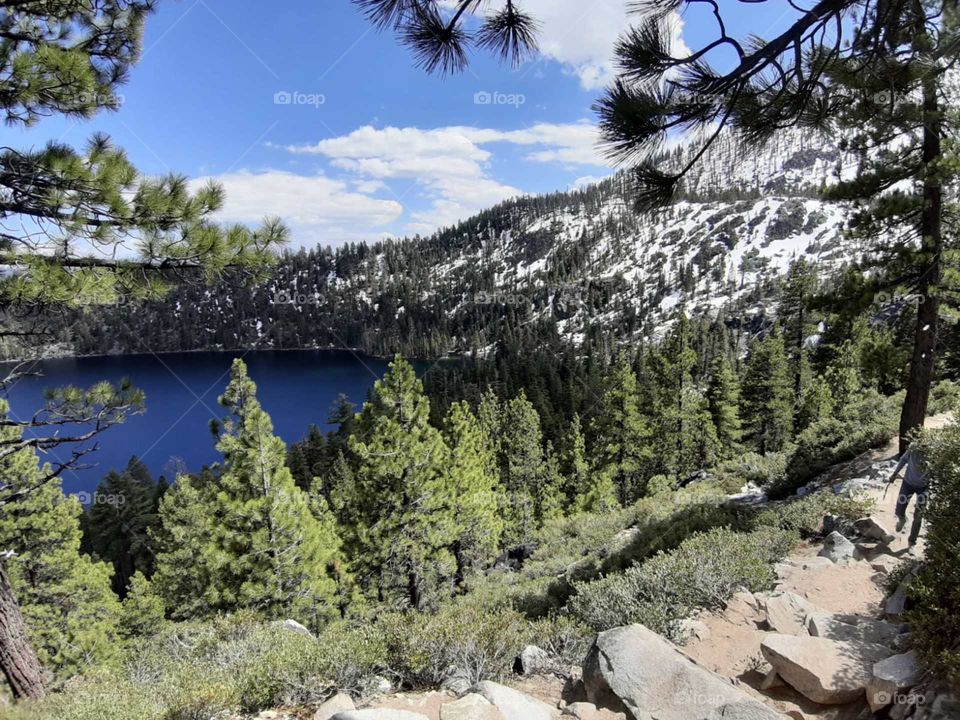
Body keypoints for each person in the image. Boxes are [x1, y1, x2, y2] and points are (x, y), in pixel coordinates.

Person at [889, 441, 929, 551]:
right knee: (899, 509)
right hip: (908, 483)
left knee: (918, 516)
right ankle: (902, 519)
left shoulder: (933, 452)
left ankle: (912, 542)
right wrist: (894, 473)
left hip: (923, 487)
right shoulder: (913, 447)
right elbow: (903, 459)